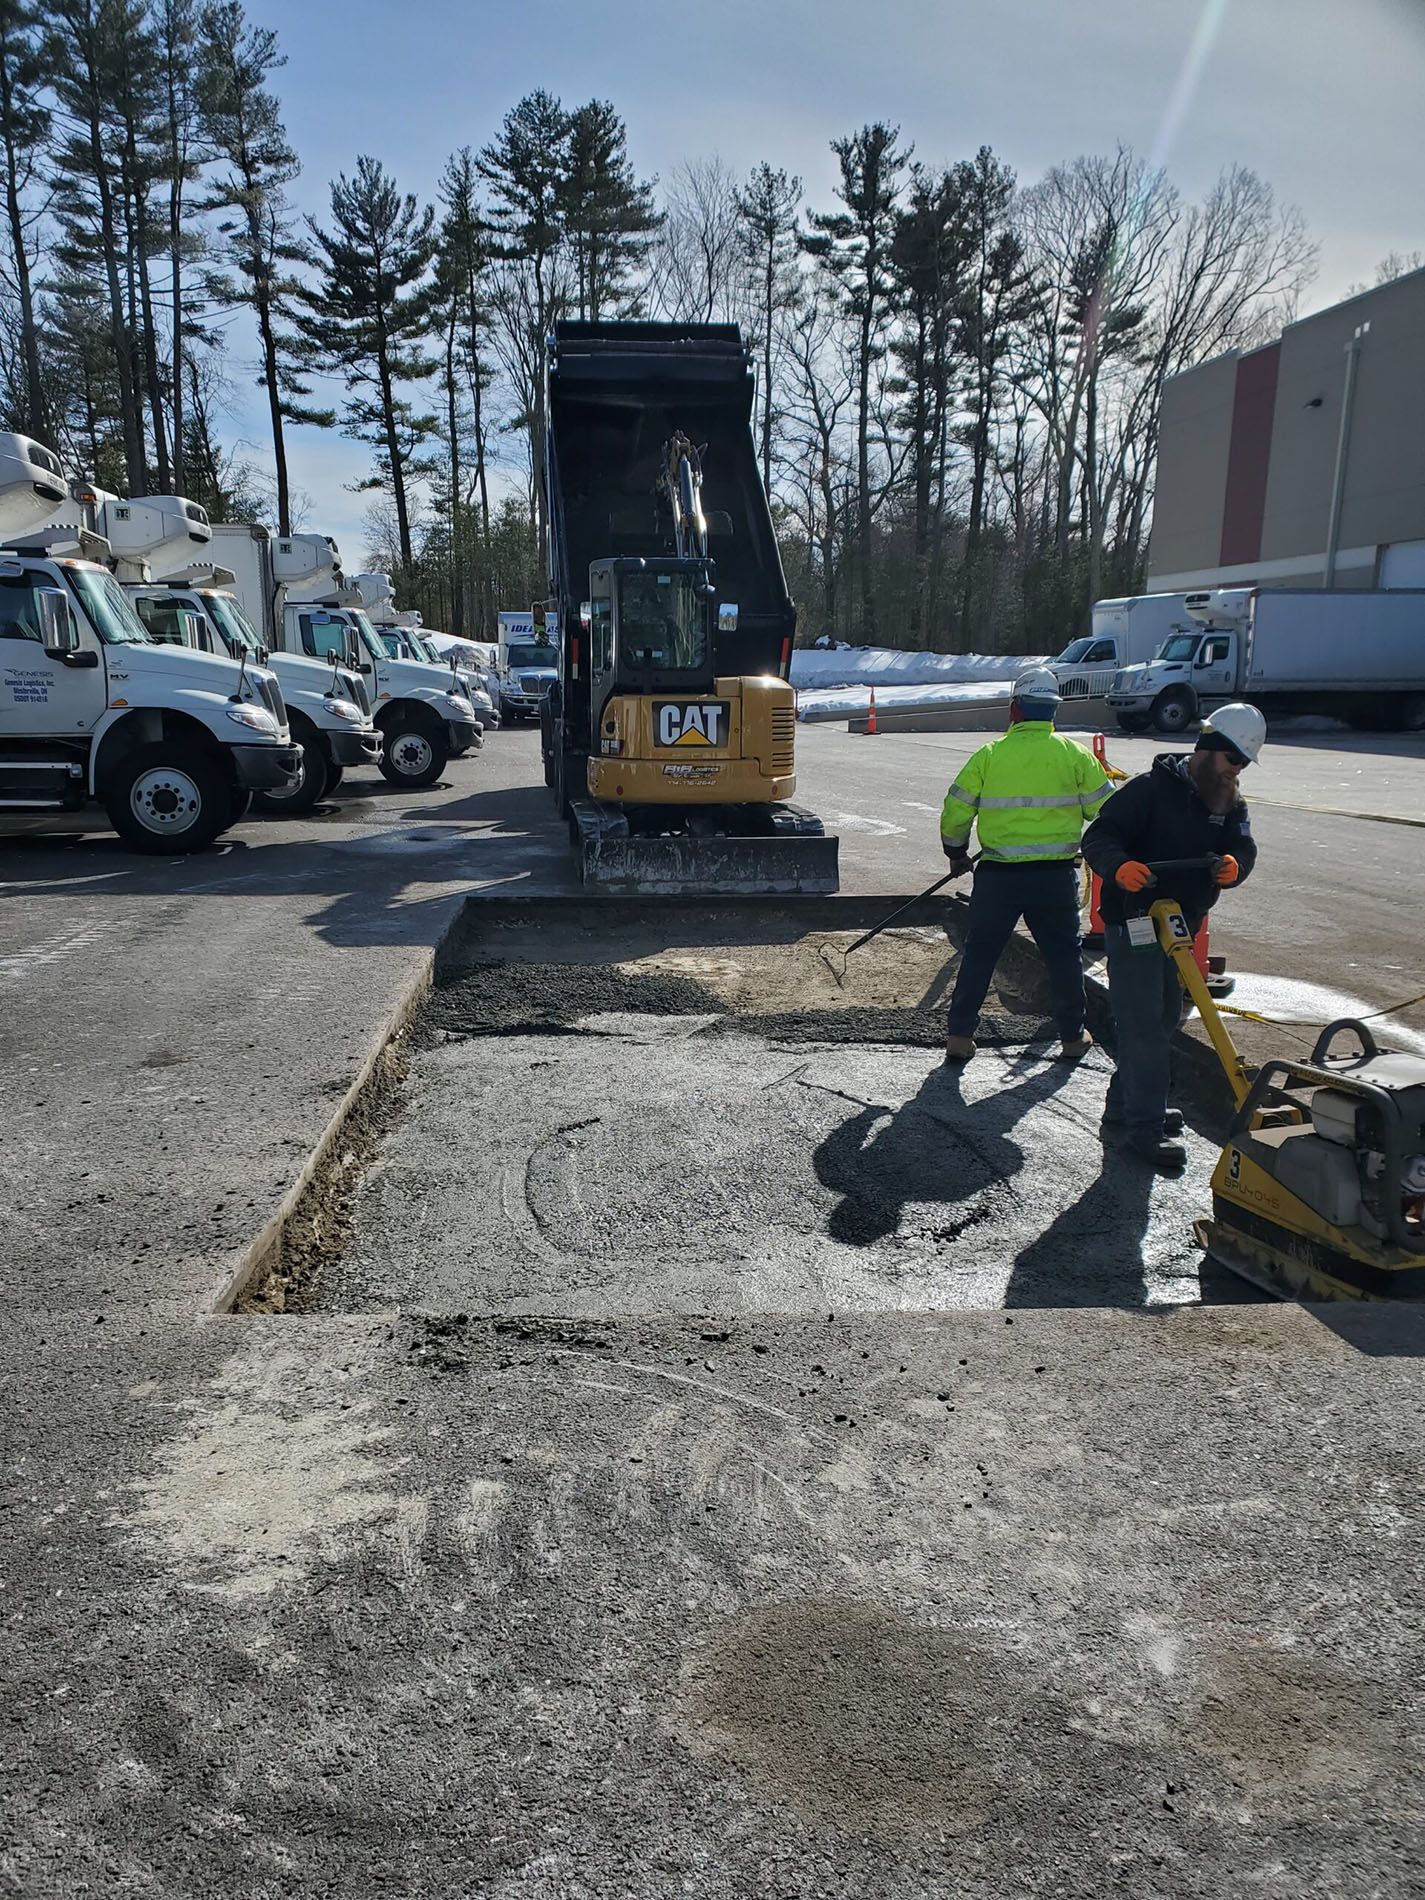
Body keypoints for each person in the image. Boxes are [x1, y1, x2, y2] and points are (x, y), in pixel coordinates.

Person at [1081, 702, 1264, 1170]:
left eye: (1242, 765)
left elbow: (1242, 845)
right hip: (1137, 921)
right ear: (1208, 750)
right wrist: (1120, 867)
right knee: (1143, 1023)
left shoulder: (1227, 801)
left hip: (1183, 924)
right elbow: (1099, 838)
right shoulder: (1147, 791)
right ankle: (1142, 1129)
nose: (1235, 772)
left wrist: (1234, 866)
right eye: (1232, 761)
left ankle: (1125, 1106)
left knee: (1163, 1019)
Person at [940, 667, 1112, 1064]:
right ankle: (1072, 1037)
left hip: (999, 877)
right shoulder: (1075, 756)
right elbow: (1107, 810)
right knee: (1064, 957)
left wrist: (956, 852)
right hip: (1054, 878)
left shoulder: (990, 756)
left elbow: (956, 811)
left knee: (981, 954)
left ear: (1014, 709)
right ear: (1053, 711)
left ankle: (960, 1037)